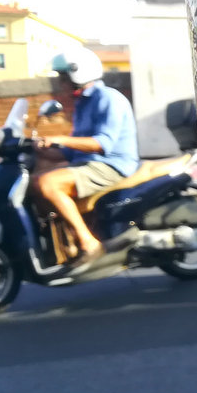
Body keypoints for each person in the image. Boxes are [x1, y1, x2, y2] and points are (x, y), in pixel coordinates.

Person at [34, 48, 139, 265]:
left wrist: (60, 139)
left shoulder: (107, 98)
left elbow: (102, 144)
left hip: (112, 164)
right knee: (35, 180)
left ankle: (88, 242)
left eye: (63, 77)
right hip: (89, 163)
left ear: (78, 74)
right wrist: (41, 149)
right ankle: (64, 243)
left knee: (47, 184)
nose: (60, 83)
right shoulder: (82, 102)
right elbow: (71, 152)